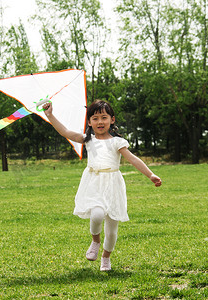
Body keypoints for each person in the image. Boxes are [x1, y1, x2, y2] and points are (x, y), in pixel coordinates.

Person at [43, 99, 162, 271]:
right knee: (97, 215)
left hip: (112, 185)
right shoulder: (88, 139)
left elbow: (133, 160)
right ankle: (95, 240)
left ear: (112, 120)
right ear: (89, 122)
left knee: (112, 230)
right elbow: (65, 132)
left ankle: (106, 257)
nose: (100, 122)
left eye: (104, 117)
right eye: (95, 118)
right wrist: (50, 115)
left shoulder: (117, 142)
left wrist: (150, 174)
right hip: (94, 183)